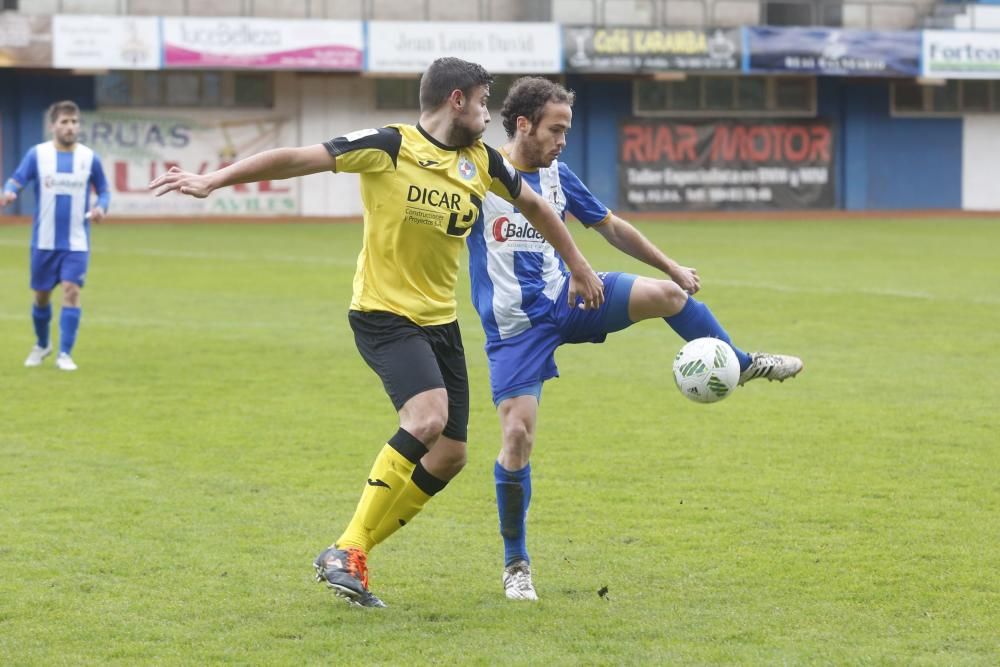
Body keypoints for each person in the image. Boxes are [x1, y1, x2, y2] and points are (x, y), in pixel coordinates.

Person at [148, 58, 605, 608]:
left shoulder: (481, 162)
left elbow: (536, 207)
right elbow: (299, 157)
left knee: (451, 455)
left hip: (439, 321)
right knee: (428, 417)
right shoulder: (390, 145)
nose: (489, 116)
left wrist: (578, 264)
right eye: (484, 102)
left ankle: (351, 550)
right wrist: (214, 179)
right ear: (456, 100)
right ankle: (348, 549)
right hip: (383, 314)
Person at [466, 77, 804, 601]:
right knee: (517, 438)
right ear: (524, 124)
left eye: (568, 131)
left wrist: (670, 263)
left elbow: (610, 226)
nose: (562, 141)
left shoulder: (557, 175)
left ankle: (741, 362)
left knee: (669, 295)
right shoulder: (482, 175)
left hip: (573, 297)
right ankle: (516, 564)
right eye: (556, 130)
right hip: (515, 331)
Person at [2, 100, 110, 371]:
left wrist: (101, 207)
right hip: (44, 241)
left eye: (74, 122)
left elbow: (105, 190)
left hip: (76, 242)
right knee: (41, 297)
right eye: (64, 122)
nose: (70, 127)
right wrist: (10, 191)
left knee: (71, 291)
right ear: (53, 126)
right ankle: (42, 344)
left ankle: (65, 353)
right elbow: (17, 179)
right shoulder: (37, 155)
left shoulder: (89, 158)